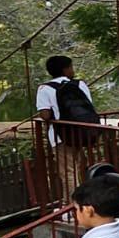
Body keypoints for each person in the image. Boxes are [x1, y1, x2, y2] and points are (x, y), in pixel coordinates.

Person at [35, 55, 98, 197]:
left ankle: (74, 206)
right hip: (82, 132)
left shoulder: (45, 88)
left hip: (61, 135)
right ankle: (76, 203)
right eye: (71, 67)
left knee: (68, 171)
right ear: (65, 69)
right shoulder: (80, 84)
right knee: (79, 167)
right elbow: (89, 107)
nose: (72, 70)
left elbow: (44, 115)